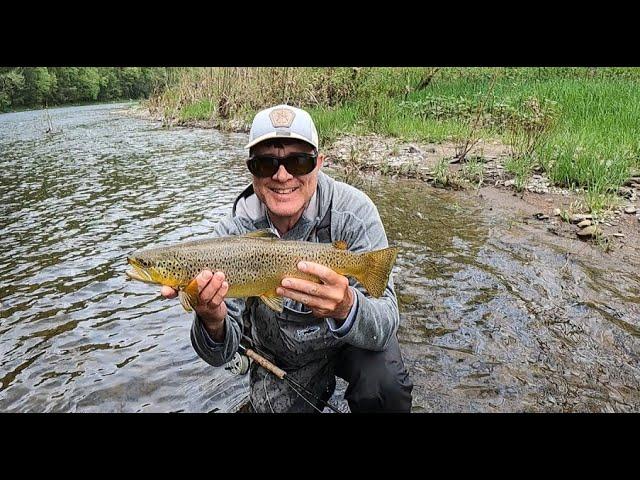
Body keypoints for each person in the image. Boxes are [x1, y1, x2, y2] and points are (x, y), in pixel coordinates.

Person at [161, 104, 413, 412]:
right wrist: (212, 321)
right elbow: (219, 355)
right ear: (251, 168)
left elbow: (386, 322)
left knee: (386, 385)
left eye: (298, 161)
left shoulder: (355, 212)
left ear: (319, 163)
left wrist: (347, 308)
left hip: (351, 344)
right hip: (284, 358)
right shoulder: (232, 235)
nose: (282, 175)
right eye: (266, 164)